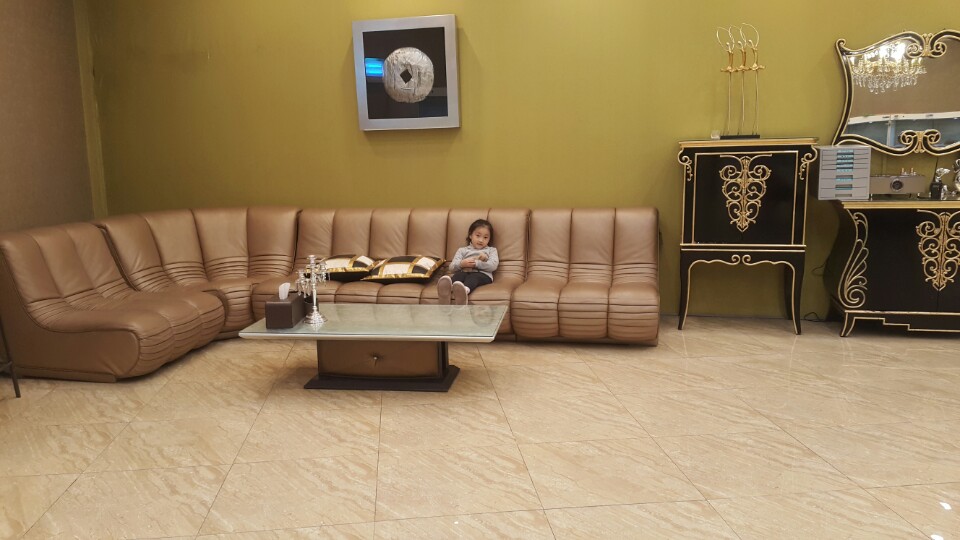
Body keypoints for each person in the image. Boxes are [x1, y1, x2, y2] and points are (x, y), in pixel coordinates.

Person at [438, 219, 499, 305]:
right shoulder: (462, 250)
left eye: (485, 237)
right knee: (459, 275)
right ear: (470, 235)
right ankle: (446, 290)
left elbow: (493, 265)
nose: (481, 240)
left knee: (473, 277)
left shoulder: (491, 250)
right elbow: (452, 267)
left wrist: (477, 264)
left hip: (483, 275)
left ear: (489, 239)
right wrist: (461, 264)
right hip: (465, 272)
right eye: (478, 236)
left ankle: (464, 291)